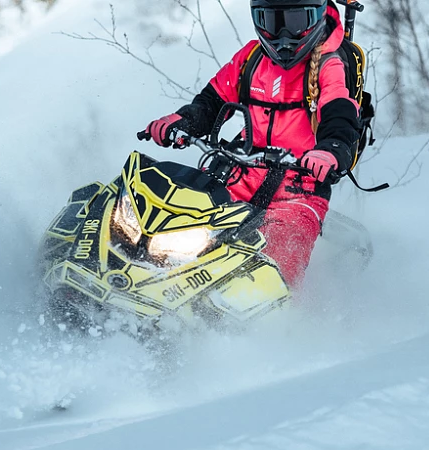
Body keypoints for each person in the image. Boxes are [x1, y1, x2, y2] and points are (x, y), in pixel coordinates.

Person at [143, 0, 360, 288]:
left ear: (316, 17)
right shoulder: (251, 57)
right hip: (238, 172)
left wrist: (331, 149)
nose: (283, 36)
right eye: (272, 22)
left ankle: (270, 324)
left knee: (274, 266)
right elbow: (211, 101)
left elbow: (339, 111)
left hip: (299, 189)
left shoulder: (331, 62)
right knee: (170, 231)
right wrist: (182, 121)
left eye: (294, 22)